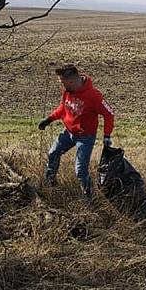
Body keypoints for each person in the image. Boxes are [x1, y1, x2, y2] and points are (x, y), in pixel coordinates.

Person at [38, 64, 115, 198]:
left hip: (85, 138)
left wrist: (107, 135)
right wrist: (49, 119)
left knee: (80, 170)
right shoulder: (68, 91)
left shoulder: (94, 96)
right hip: (68, 132)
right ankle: (49, 183)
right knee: (53, 153)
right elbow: (63, 108)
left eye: (63, 82)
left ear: (72, 80)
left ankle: (89, 197)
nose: (62, 85)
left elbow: (109, 114)